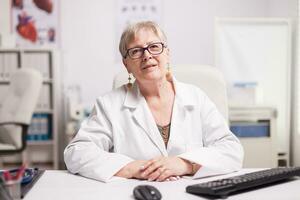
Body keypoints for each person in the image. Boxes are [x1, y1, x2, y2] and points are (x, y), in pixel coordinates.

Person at [64, 21, 244, 183]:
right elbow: (77, 152)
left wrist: (184, 164)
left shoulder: (196, 97)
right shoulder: (109, 104)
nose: (147, 55)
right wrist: (133, 168)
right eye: (136, 51)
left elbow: (231, 150)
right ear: (126, 64)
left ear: (167, 53)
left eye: (154, 47)